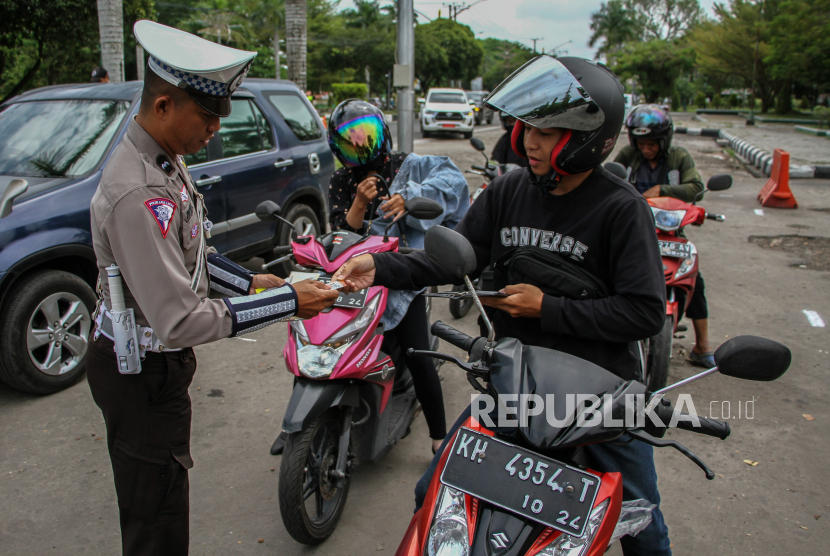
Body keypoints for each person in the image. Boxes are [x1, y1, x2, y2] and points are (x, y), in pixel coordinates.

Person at [334, 56, 671, 555]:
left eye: (549, 132)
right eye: (529, 128)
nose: (530, 142)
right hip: (517, 382)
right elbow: (453, 262)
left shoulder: (622, 209)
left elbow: (644, 313)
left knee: (642, 526)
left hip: (599, 394)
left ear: (585, 139)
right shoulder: (509, 190)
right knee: (432, 494)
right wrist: (377, 268)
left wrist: (548, 309)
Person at [86, 21, 338, 556]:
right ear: (161, 107)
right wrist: (291, 300)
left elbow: (190, 255)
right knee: (157, 522)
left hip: (157, 372)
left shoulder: (164, 160)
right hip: (143, 376)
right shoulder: (139, 191)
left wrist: (249, 281)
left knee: (164, 500)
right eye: (205, 117)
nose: (214, 132)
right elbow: (180, 322)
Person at [271, 100, 470, 456]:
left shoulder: (408, 166)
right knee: (312, 337)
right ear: (337, 147)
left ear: (383, 134)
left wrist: (409, 197)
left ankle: (440, 438)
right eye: (350, 141)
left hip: (400, 274)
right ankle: (295, 423)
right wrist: (360, 204)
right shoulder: (341, 180)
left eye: (366, 136)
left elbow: (452, 181)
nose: (360, 146)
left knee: (416, 353)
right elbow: (339, 235)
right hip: (352, 273)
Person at [614, 104, 714, 368]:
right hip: (631, 229)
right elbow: (607, 178)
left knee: (694, 280)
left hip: (669, 232)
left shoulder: (679, 157)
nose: (646, 149)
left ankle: (702, 346)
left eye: (651, 144)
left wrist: (662, 189)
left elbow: (696, 187)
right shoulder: (628, 155)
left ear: (664, 140)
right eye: (641, 143)